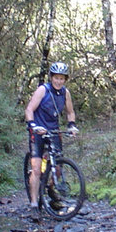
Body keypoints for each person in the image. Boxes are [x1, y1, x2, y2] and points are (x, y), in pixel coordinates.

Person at [24, 62, 78, 211]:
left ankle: (50, 186)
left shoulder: (65, 93)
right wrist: (32, 125)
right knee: (36, 169)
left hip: (53, 130)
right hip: (38, 131)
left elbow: (70, 112)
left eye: (61, 79)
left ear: (65, 80)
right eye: (56, 78)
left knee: (58, 167)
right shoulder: (43, 90)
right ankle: (34, 204)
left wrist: (71, 124)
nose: (58, 81)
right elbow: (29, 109)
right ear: (51, 78)